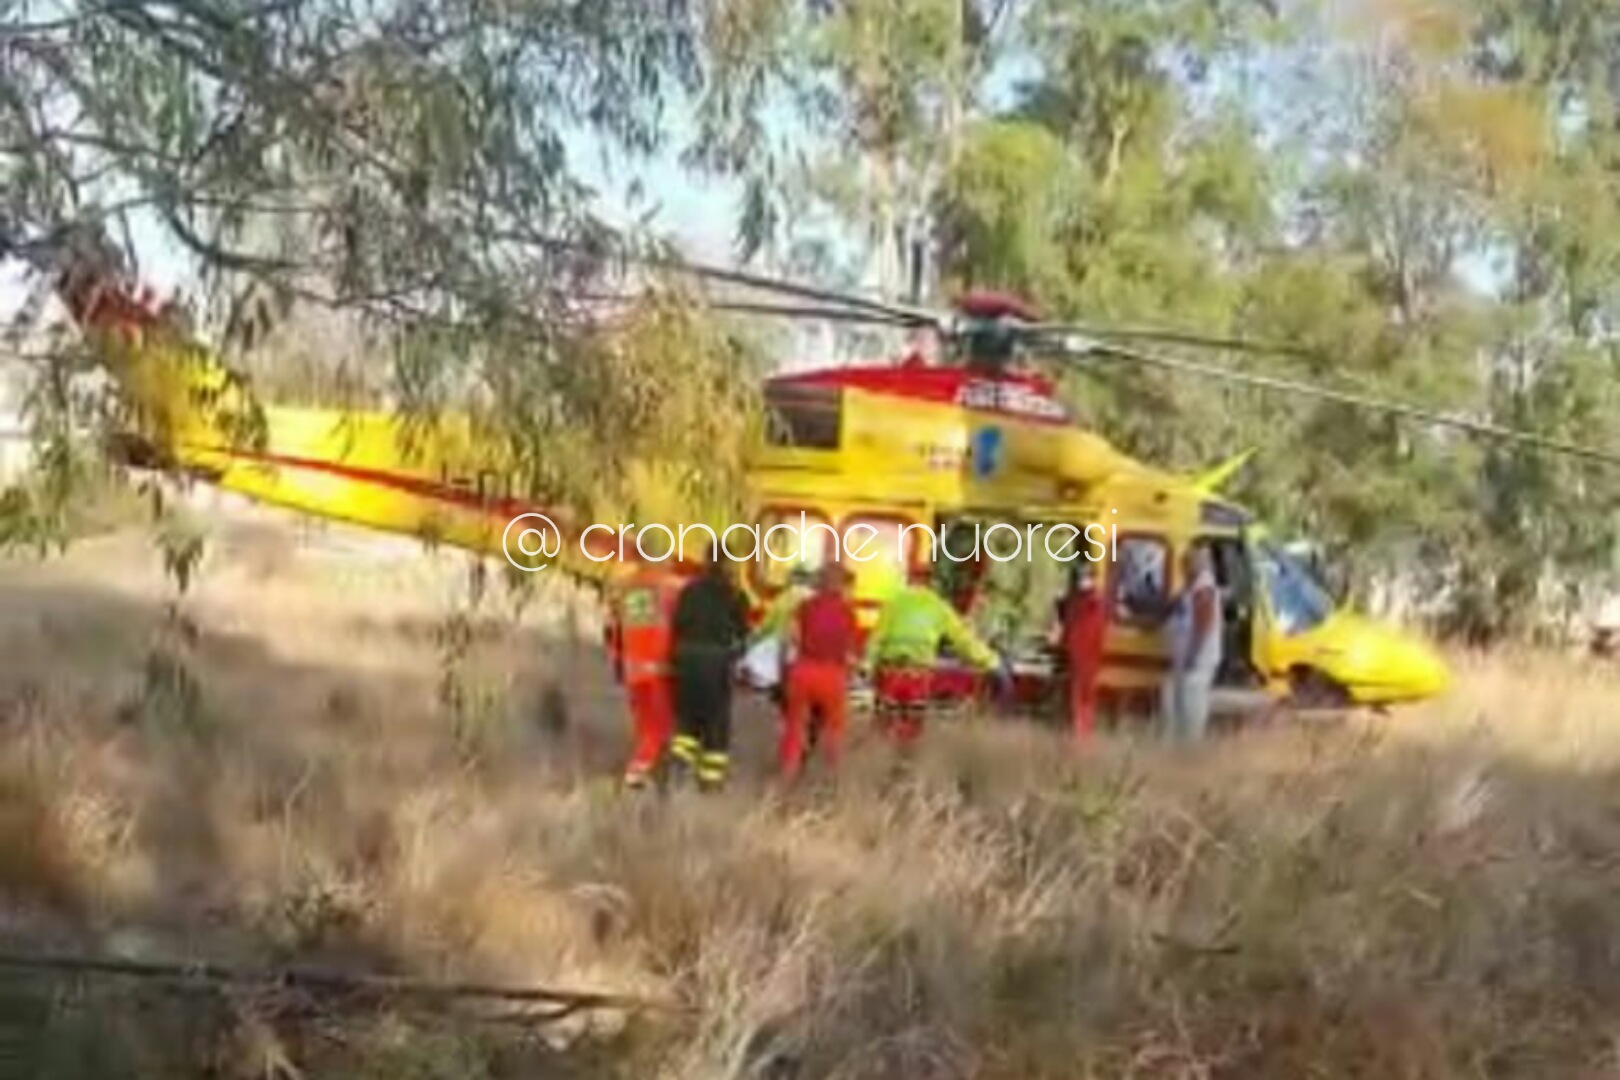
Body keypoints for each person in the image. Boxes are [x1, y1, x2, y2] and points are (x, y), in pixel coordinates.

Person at [864, 564, 1004, 749]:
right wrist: (991, 661)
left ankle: (876, 761)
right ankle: (903, 766)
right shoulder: (937, 606)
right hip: (918, 674)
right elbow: (963, 640)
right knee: (912, 727)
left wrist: (867, 665)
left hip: (891, 672)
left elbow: (877, 637)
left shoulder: (894, 602)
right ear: (931, 582)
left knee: (884, 723)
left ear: (910, 578)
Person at [668, 547, 750, 791]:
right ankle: (710, 784)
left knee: (687, 719)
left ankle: (678, 767)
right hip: (716, 663)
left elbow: (678, 623)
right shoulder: (734, 595)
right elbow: (742, 632)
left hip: (686, 660)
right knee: (716, 724)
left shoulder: (689, 590)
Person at [779, 562, 859, 782]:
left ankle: (787, 777)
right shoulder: (848, 612)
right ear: (840, 585)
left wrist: (786, 672)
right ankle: (831, 780)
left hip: (804, 671)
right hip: (832, 675)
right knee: (834, 729)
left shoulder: (804, 606)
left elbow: (791, 639)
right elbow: (851, 655)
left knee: (795, 728)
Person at [605, 563, 682, 790]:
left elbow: (612, 632)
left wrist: (619, 663)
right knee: (659, 729)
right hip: (659, 672)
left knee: (645, 729)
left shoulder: (625, 588)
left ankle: (650, 778)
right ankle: (637, 774)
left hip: (633, 672)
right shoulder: (670, 590)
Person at [1162, 542, 1223, 743]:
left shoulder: (1203, 588)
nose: (1182, 570)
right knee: (1174, 701)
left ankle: (1190, 749)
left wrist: (1192, 655)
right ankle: (1179, 747)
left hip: (1197, 660)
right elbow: (1175, 604)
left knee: (1191, 705)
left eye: (1185, 565)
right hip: (1184, 659)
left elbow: (1202, 625)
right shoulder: (1192, 584)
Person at [1058, 560, 1108, 742]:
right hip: (1080, 656)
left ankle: (1081, 738)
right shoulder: (1082, 601)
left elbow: (1083, 631)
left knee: (1081, 700)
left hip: (1084, 657)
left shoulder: (1090, 602)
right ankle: (1079, 736)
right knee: (1080, 700)